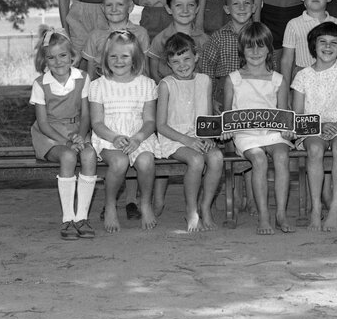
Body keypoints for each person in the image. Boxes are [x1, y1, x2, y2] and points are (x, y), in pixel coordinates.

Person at [223, 22, 293, 236]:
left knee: (282, 155)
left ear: (269, 49)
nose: (255, 52)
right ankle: (264, 215)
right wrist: (226, 129)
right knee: (259, 160)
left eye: (261, 46)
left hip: (272, 133)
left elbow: (284, 114)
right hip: (245, 135)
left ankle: (280, 213)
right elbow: (227, 114)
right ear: (242, 50)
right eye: (250, 47)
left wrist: (287, 130)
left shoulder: (278, 80)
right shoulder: (233, 79)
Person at [29, 27, 98, 239]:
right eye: (51, 57)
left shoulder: (83, 78)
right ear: (44, 60)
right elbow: (42, 123)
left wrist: (80, 135)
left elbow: (86, 115)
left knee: (89, 155)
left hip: (78, 129)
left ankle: (82, 217)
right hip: (50, 134)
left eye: (63, 55)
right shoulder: (40, 84)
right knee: (68, 156)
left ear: (72, 56)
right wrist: (67, 142)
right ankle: (67, 219)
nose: (58, 62)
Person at [89, 30, 160, 234]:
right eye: (113, 56)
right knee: (119, 162)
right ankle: (110, 204)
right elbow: (97, 122)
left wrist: (137, 138)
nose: (118, 61)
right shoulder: (98, 86)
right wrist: (115, 137)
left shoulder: (146, 84)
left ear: (135, 59)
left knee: (146, 161)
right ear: (105, 58)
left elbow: (149, 121)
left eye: (124, 56)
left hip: (139, 135)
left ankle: (145, 203)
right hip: (109, 136)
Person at [156, 33, 225, 233]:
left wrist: (208, 137)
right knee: (196, 160)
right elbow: (161, 126)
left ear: (196, 57)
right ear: (168, 64)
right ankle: (192, 209)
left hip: (200, 136)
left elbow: (206, 115)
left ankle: (205, 206)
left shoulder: (204, 80)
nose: (182, 65)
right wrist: (187, 140)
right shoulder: (166, 85)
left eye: (186, 58)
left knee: (217, 157)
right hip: (174, 138)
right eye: (175, 61)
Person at [290, 22, 337, 232]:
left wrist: (336, 126)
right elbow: (298, 113)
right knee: (316, 149)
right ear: (313, 45)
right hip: (311, 127)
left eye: (334, 43)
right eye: (323, 42)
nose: (328, 47)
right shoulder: (302, 76)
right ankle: (316, 209)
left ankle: (335, 208)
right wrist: (318, 126)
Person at [198, 0, 271, 112]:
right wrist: (212, 98)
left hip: (256, 91)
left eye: (246, 3)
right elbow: (207, 70)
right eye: (236, 4)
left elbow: (271, 64)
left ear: (254, 7)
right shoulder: (218, 37)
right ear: (227, 9)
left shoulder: (261, 36)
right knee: (228, 130)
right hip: (224, 94)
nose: (242, 8)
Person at [80, 0, 150, 78]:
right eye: (109, 5)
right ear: (103, 8)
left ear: (130, 7)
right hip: (104, 88)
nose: (114, 9)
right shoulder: (95, 35)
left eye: (120, 4)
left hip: (133, 88)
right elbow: (90, 73)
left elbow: (144, 69)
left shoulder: (141, 33)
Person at [147, 0, 209, 82]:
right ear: (169, 9)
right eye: (179, 5)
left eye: (191, 5)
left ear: (197, 8)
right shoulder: (160, 39)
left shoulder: (205, 40)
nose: (185, 10)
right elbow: (153, 72)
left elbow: (208, 72)